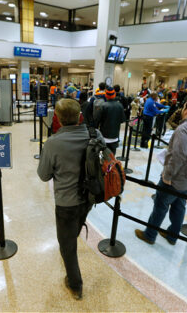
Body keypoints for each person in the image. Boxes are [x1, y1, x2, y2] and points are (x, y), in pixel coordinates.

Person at [37, 99, 105, 300]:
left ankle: (75, 285)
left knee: (67, 245)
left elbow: (44, 175)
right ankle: (73, 234)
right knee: (74, 228)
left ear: (57, 118)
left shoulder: (53, 143)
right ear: (80, 116)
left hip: (66, 203)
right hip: (90, 197)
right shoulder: (95, 134)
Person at [134, 96, 187, 245]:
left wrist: (167, 175)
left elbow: (178, 156)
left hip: (175, 179)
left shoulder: (184, 129)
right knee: (179, 206)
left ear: (186, 110)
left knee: (160, 205)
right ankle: (172, 236)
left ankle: (150, 234)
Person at [94, 87, 126, 155]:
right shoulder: (120, 106)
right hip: (115, 136)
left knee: (103, 156)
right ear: (114, 95)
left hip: (104, 136)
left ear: (106, 95)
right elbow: (122, 120)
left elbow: (97, 121)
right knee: (112, 157)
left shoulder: (103, 106)